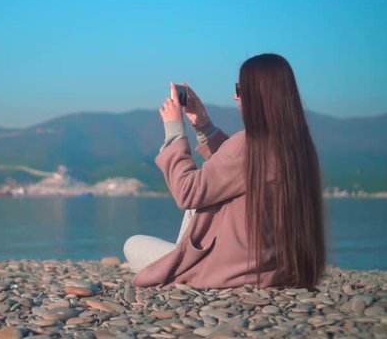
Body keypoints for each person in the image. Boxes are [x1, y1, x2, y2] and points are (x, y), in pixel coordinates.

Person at [123, 53, 327, 290]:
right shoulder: (299, 147)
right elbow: (235, 170)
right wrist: (203, 124)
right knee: (205, 188)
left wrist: (174, 131)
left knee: (132, 245)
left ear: (257, 94)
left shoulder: (248, 144)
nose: (235, 96)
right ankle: (181, 258)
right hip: (272, 269)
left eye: (240, 89)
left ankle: (181, 264)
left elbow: (187, 191)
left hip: (228, 271)